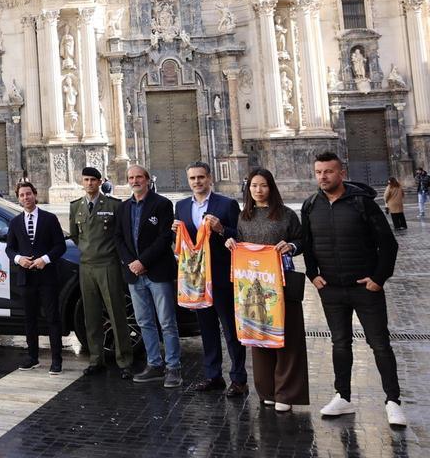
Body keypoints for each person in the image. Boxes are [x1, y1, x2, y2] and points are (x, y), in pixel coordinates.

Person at [302, 152, 404, 426]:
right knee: (340, 343)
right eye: (319, 172)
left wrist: (378, 279)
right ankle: (343, 396)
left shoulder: (363, 203)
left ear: (342, 173)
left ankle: (393, 401)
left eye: (328, 172)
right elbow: (307, 244)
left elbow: (389, 244)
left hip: (365, 288)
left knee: (379, 344)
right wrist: (313, 275)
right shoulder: (311, 205)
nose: (323, 177)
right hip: (332, 290)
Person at [224, 169, 308, 411]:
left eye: (263, 185)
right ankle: (267, 390)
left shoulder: (286, 215)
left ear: (271, 187)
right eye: (253, 186)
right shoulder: (244, 217)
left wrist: (290, 245)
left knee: (287, 338)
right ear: (248, 189)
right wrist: (232, 243)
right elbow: (242, 243)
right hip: (253, 285)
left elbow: (301, 241)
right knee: (259, 336)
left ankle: (286, 393)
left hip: (281, 283)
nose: (258, 190)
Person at [173, 161, 247, 397]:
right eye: (193, 178)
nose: (197, 182)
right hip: (196, 280)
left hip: (222, 276)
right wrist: (174, 233)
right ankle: (213, 375)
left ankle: (238, 379)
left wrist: (221, 229)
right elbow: (181, 243)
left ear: (210, 178)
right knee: (206, 329)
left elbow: (240, 236)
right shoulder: (182, 206)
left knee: (230, 329)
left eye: (201, 177)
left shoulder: (226, 204)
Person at [114, 164, 182, 388]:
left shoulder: (162, 204)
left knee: (167, 322)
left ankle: (173, 368)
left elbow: (164, 238)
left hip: (157, 272)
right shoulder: (122, 208)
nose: (135, 181)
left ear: (147, 180)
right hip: (134, 274)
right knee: (144, 321)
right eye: (131, 177)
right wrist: (131, 263)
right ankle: (154, 365)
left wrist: (143, 261)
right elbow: (119, 239)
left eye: (139, 177)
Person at [68, 167, 133, 379]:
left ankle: (124, 361)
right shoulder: (76, 206)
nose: (89, 184)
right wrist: (88, 252)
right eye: (85, 180)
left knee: (116, 313)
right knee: (91, 315)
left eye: (93, 180)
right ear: (82, 182)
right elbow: (76, 236)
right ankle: (96, 359)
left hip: (108, 265)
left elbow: (121, 234)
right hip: (87, 266)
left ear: (100, 182)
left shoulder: (114, 205)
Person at [5, 180, 66, 374]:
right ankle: (32, 357)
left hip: (47, 277)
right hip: (26, 278)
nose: (26, 198)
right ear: (19, 199)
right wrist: (18, 259)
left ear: (35, 195)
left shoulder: (49, 218)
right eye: (22, 195)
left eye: (28, 194)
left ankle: (56, 360)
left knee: (52, 318)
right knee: (29, 319)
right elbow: (9, 248)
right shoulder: (15, 222)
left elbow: (60, 246)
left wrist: (45, 259)